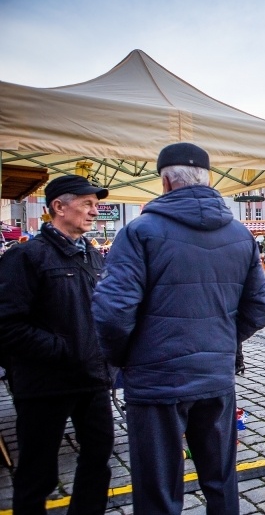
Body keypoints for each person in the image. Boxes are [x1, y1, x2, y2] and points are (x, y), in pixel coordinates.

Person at [92, 143, 265, 514]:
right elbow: (259, 308)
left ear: (165, 182)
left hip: (156, 380)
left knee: (158, 490)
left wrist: (125, 358)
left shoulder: (139, 231)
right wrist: (219, 340)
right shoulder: (240, 234)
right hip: (214, 376)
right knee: (221, 480)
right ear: (207, 180)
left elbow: (112, 312)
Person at [0, 175, 114, 515]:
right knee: (38, 472)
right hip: (45, 385)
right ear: (58, 207)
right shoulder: (26, 256)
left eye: (96, 204)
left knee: (98, 458)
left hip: (92, 379)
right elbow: (6, 324)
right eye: (87, 204)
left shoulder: (91, 257)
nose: (94, 211)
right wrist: (61, 350)